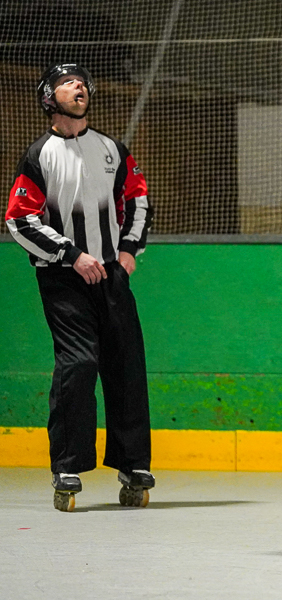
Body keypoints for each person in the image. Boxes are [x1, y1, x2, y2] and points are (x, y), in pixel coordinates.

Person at [5, 64, 155, 512]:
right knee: (79, 363)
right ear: (49, 98)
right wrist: (72, 255)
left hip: (111, 274)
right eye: (68, 83)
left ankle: (133, 466)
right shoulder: (39, 155)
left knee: (126, 365)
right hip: (64, 279)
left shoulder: (111, 148)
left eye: (83, 83)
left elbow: (139, 198)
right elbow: (18, 220)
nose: (80, 87)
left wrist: (127, 251)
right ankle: (67, 466)